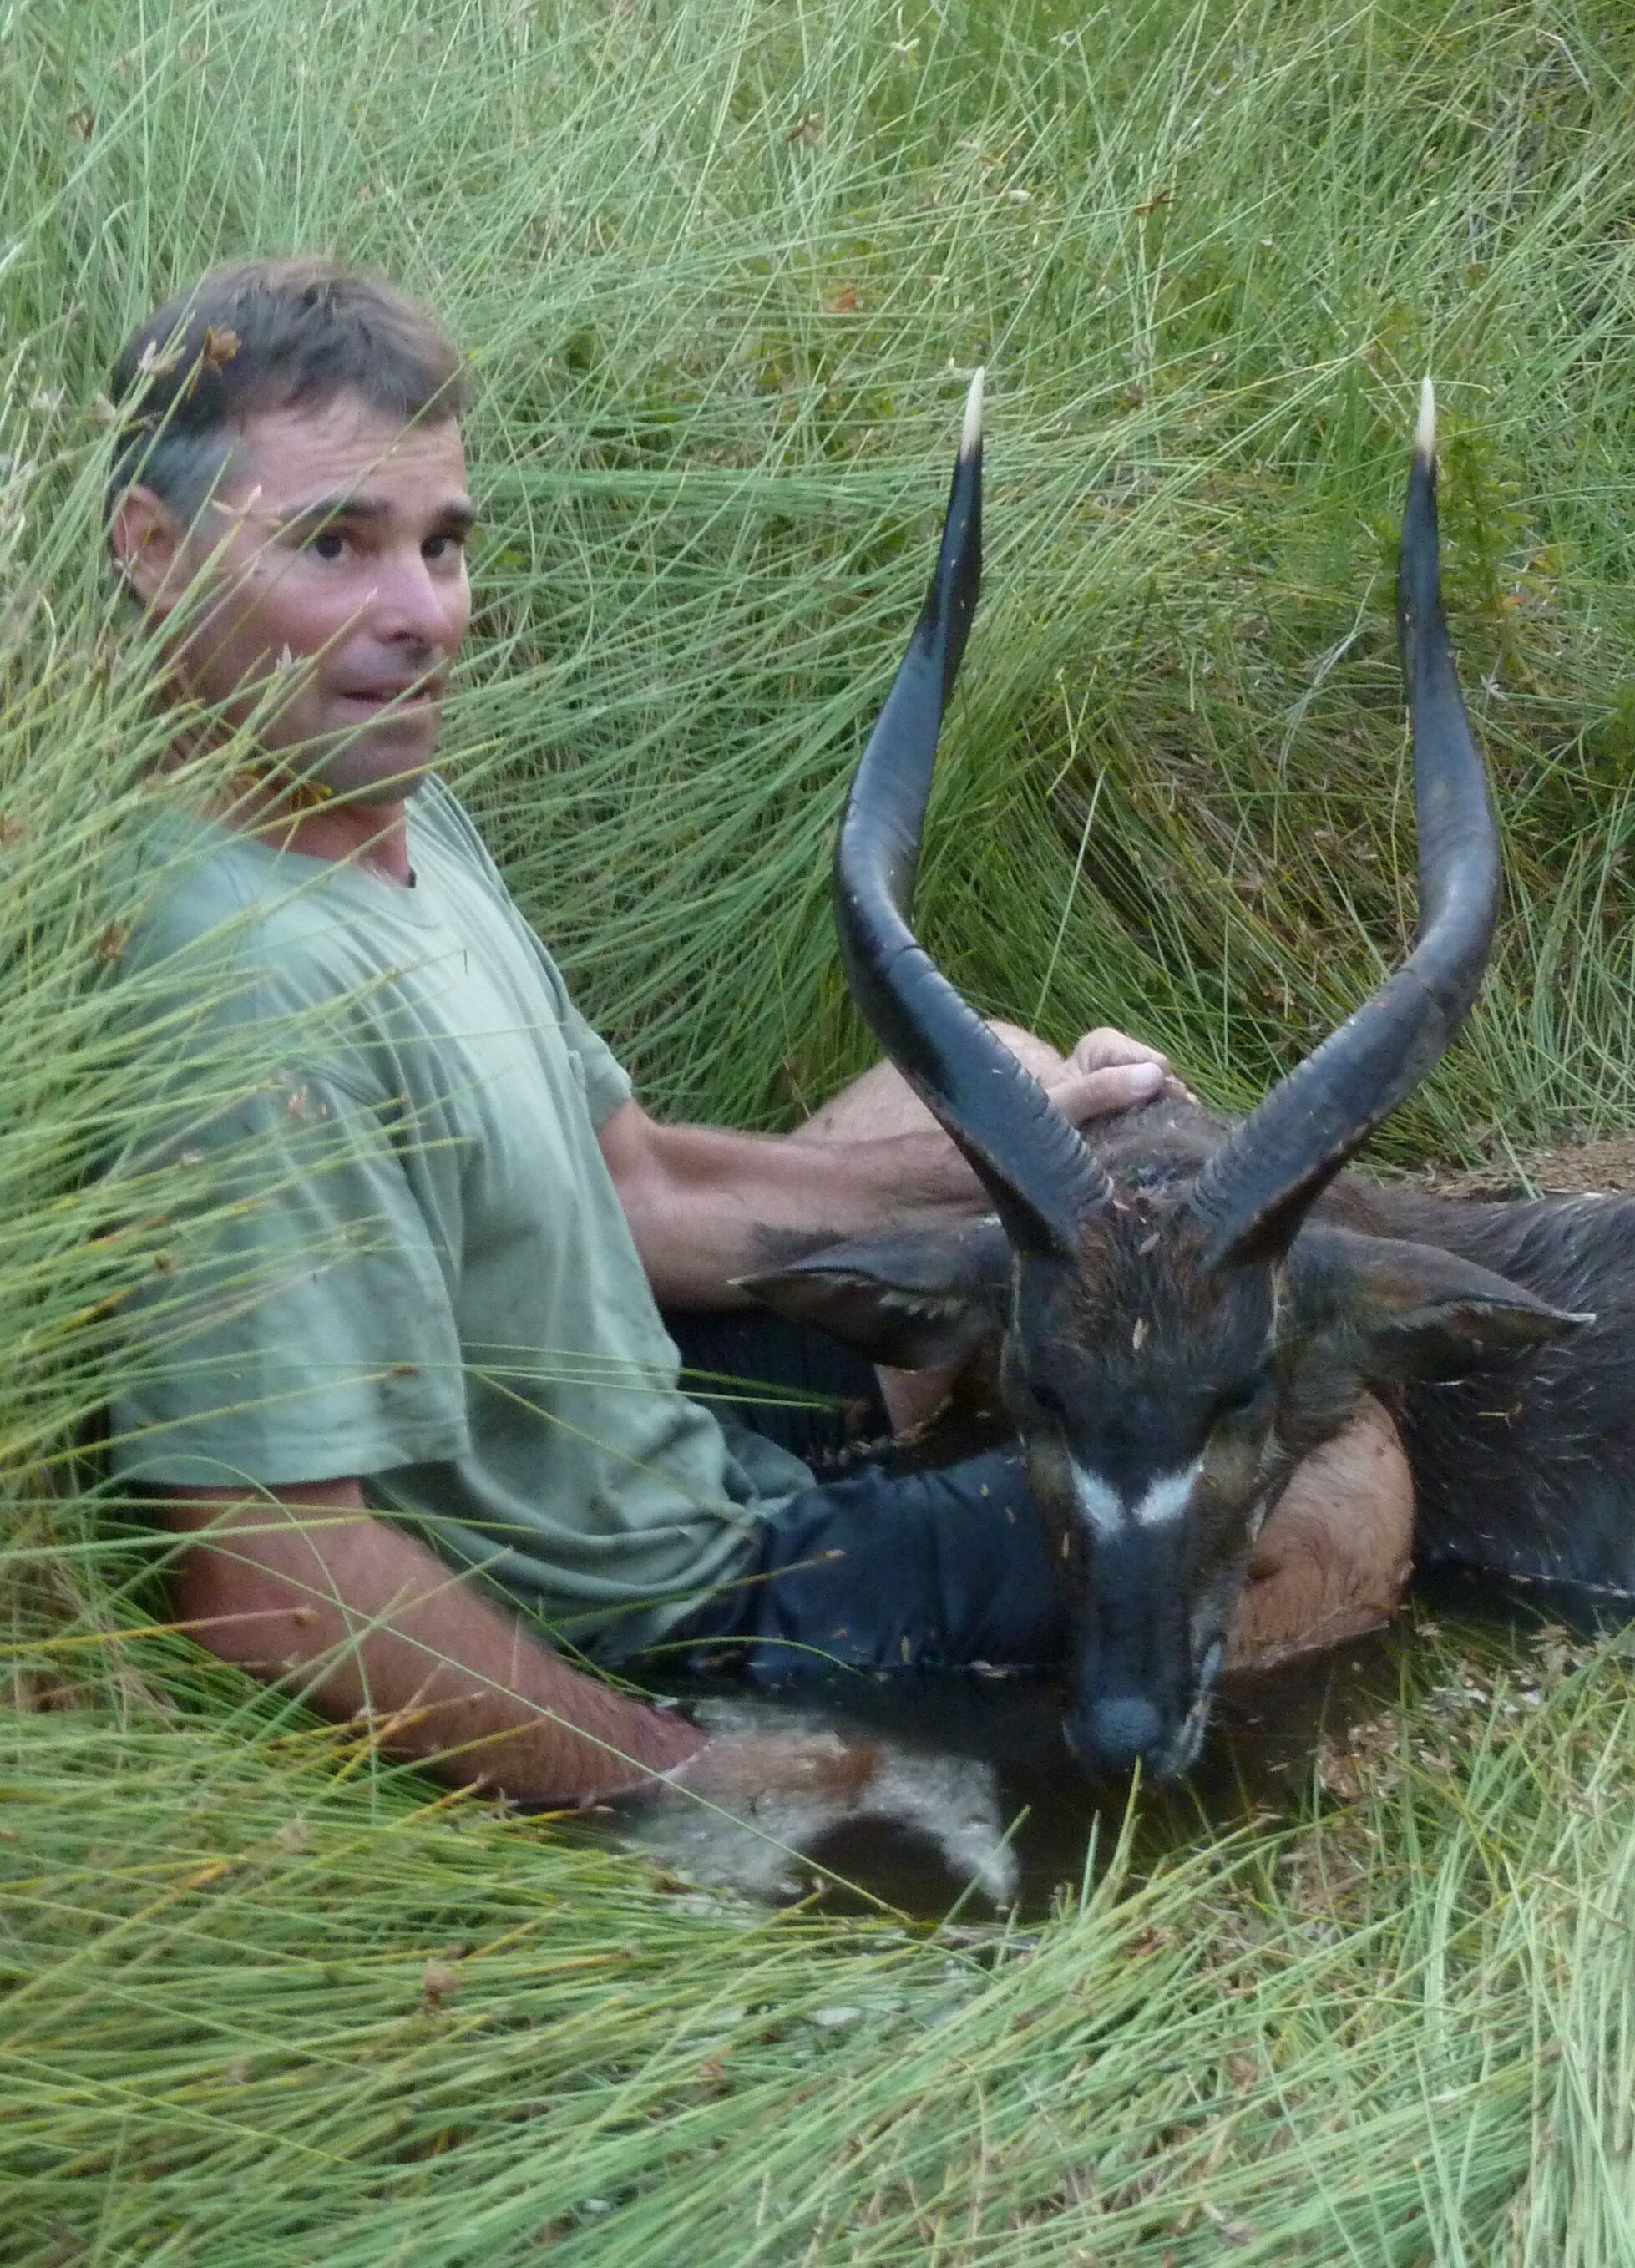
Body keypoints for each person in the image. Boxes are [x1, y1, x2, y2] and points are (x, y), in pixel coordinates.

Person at [100, 256, 1410, 1817]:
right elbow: (269, 1569)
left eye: (443, 544)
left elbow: (638, 1190)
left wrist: (1056, 1166)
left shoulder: (373, 797)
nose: (423, 617)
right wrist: (683, 1773)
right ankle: (1083, 1790)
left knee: (987, 1075)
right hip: (679, 1602)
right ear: (153, 550)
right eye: (336, 544)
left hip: (643, 1414)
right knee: (1346, 1473)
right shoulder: (243, 991)